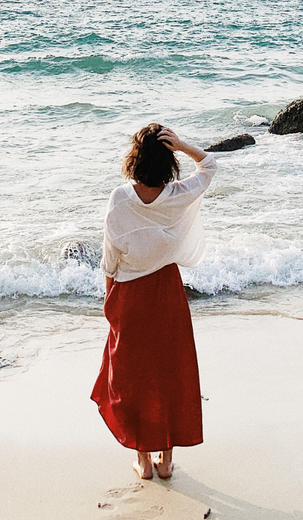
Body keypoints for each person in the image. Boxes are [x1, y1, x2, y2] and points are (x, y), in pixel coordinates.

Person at [91, 124, 218, 480]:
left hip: (129, 294)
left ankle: (143, 461)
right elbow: (209, 166)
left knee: (132, 378)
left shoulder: (120, 199)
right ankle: (165, 461)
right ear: (169, 160)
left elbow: (110, 258)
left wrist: (109, 300)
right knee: (169, 373)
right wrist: (183, 145)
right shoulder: (177, 195)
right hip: (166, 294)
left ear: (135, 158)